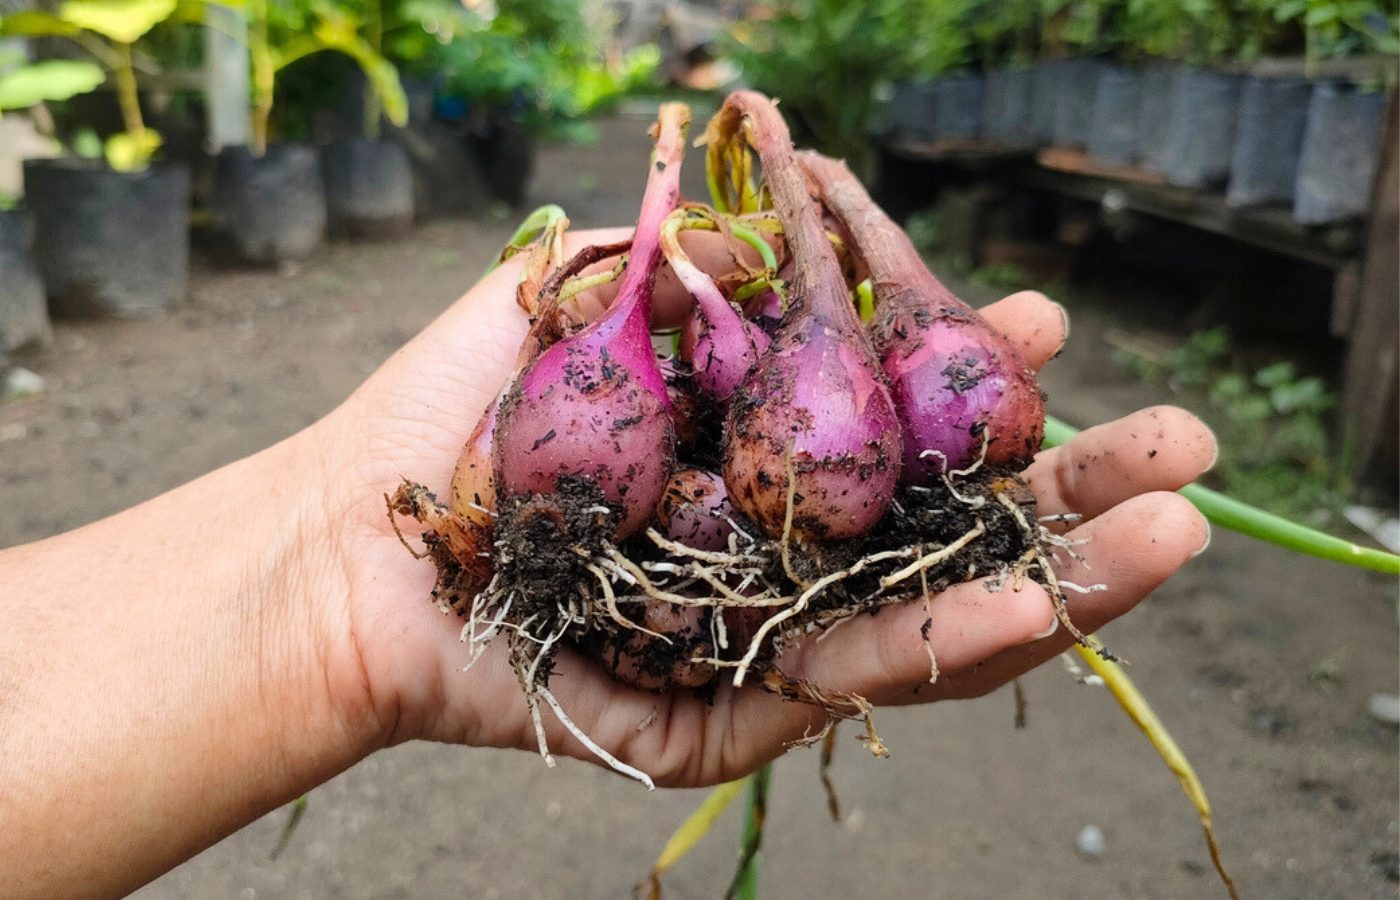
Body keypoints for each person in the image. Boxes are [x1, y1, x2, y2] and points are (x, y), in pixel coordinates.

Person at [0, 226, 1215, 899]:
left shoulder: (776, 401)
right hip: (657, 445)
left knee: (816, 386)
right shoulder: (617, 391)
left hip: (755, 424)